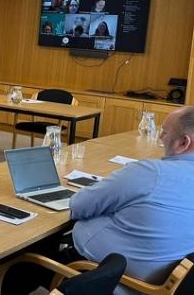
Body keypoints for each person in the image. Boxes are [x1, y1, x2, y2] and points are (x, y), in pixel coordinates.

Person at [70, 106, 194, 294]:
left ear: (183, 142)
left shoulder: (151, 173)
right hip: (170, 282)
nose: (160, 138)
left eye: (165, 132)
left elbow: (78, 205)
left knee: (26, 261)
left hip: (117, 280)